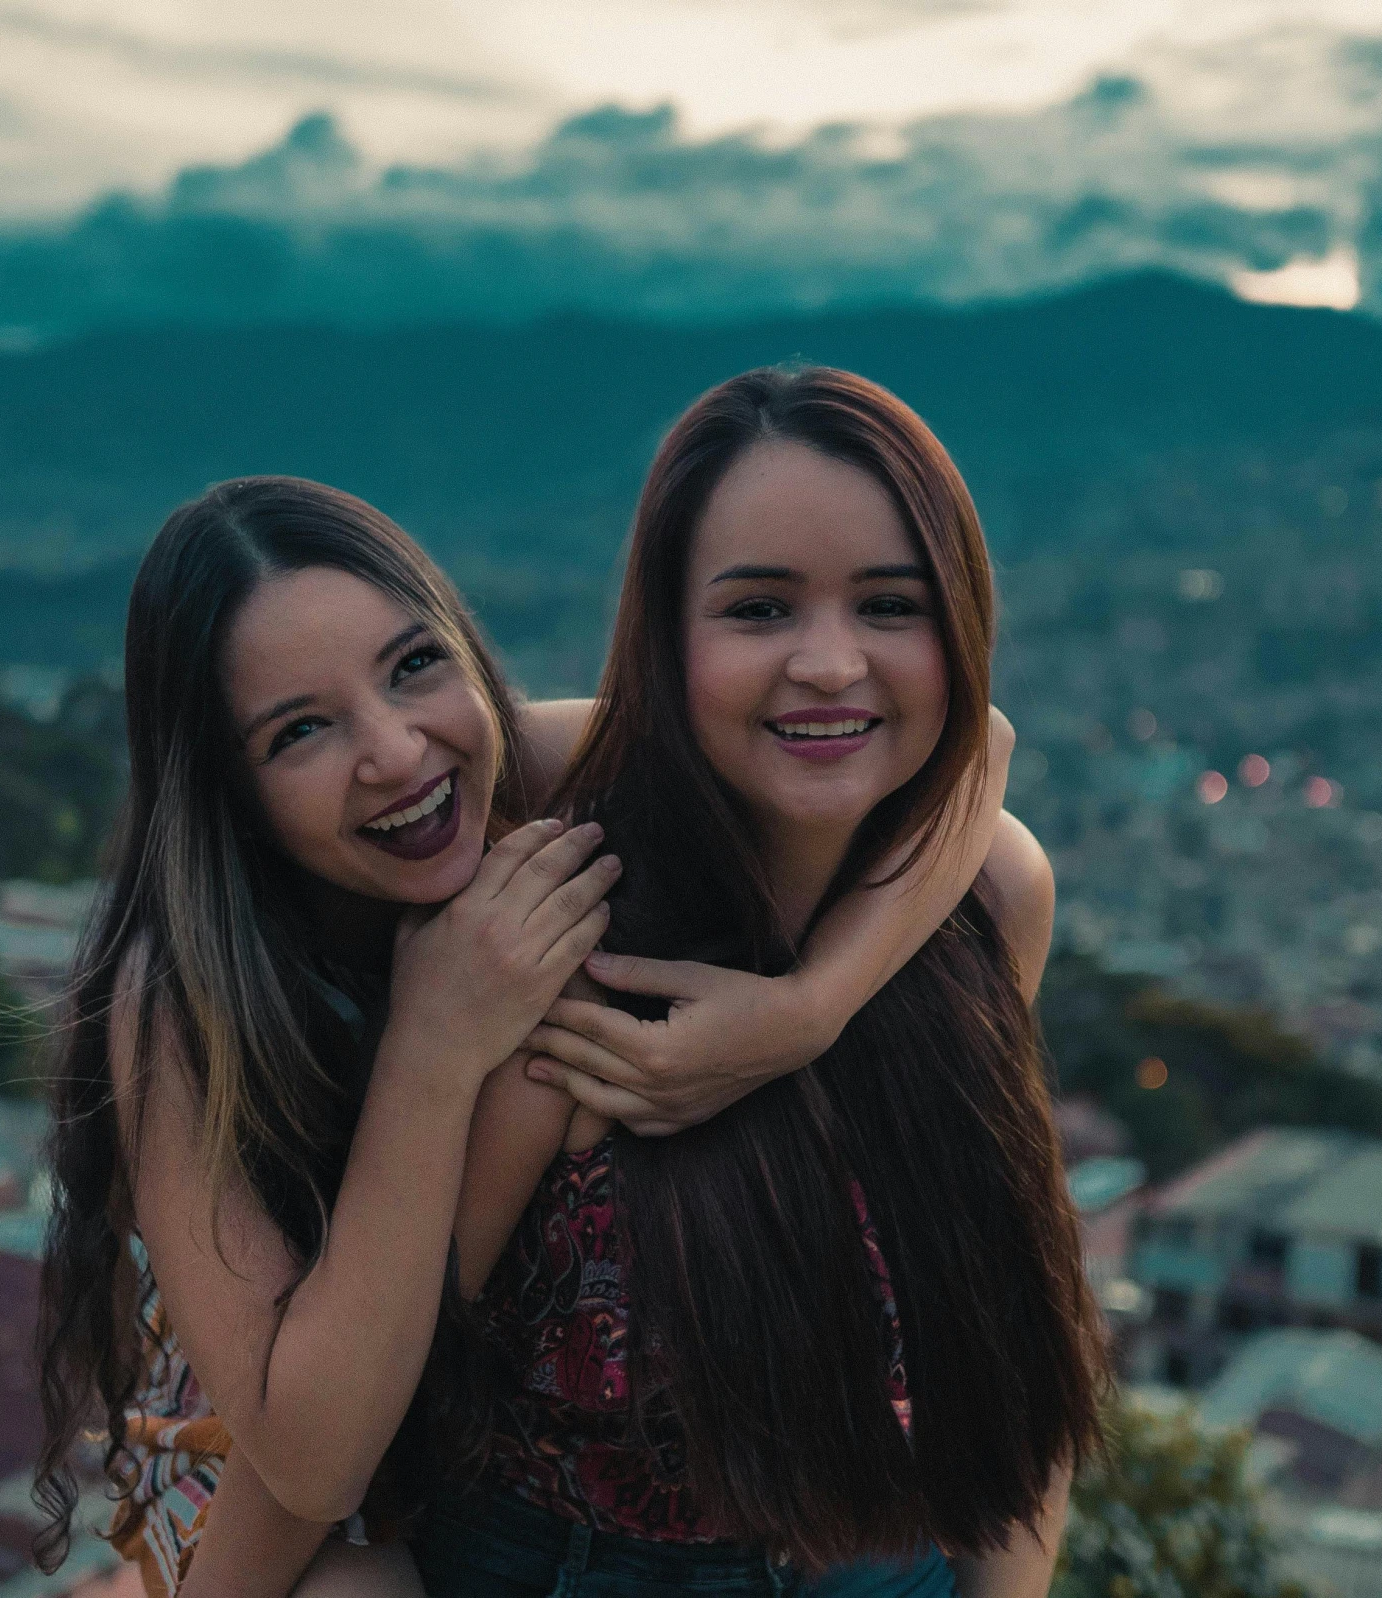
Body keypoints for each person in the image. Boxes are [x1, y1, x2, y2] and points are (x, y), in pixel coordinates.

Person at [32, 477, 1019, 1597]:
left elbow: (975, 747)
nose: (398, 752)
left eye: (414, 666)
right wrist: (433, 1044)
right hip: (247, 1445)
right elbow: (303, 1457)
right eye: (301, 730)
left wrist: (806, 1011)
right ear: (230, 792)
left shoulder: (532, 770)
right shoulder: (179, 999)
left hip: (427, 1422)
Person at [411, 366, 1108, 1598]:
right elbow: (403, 1376)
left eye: (891, 606)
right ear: (663, 636)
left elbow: (997, 1332)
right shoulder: (558, 932)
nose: (831, 663)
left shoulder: (989, 902)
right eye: (758, 610)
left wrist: (807, 1009)